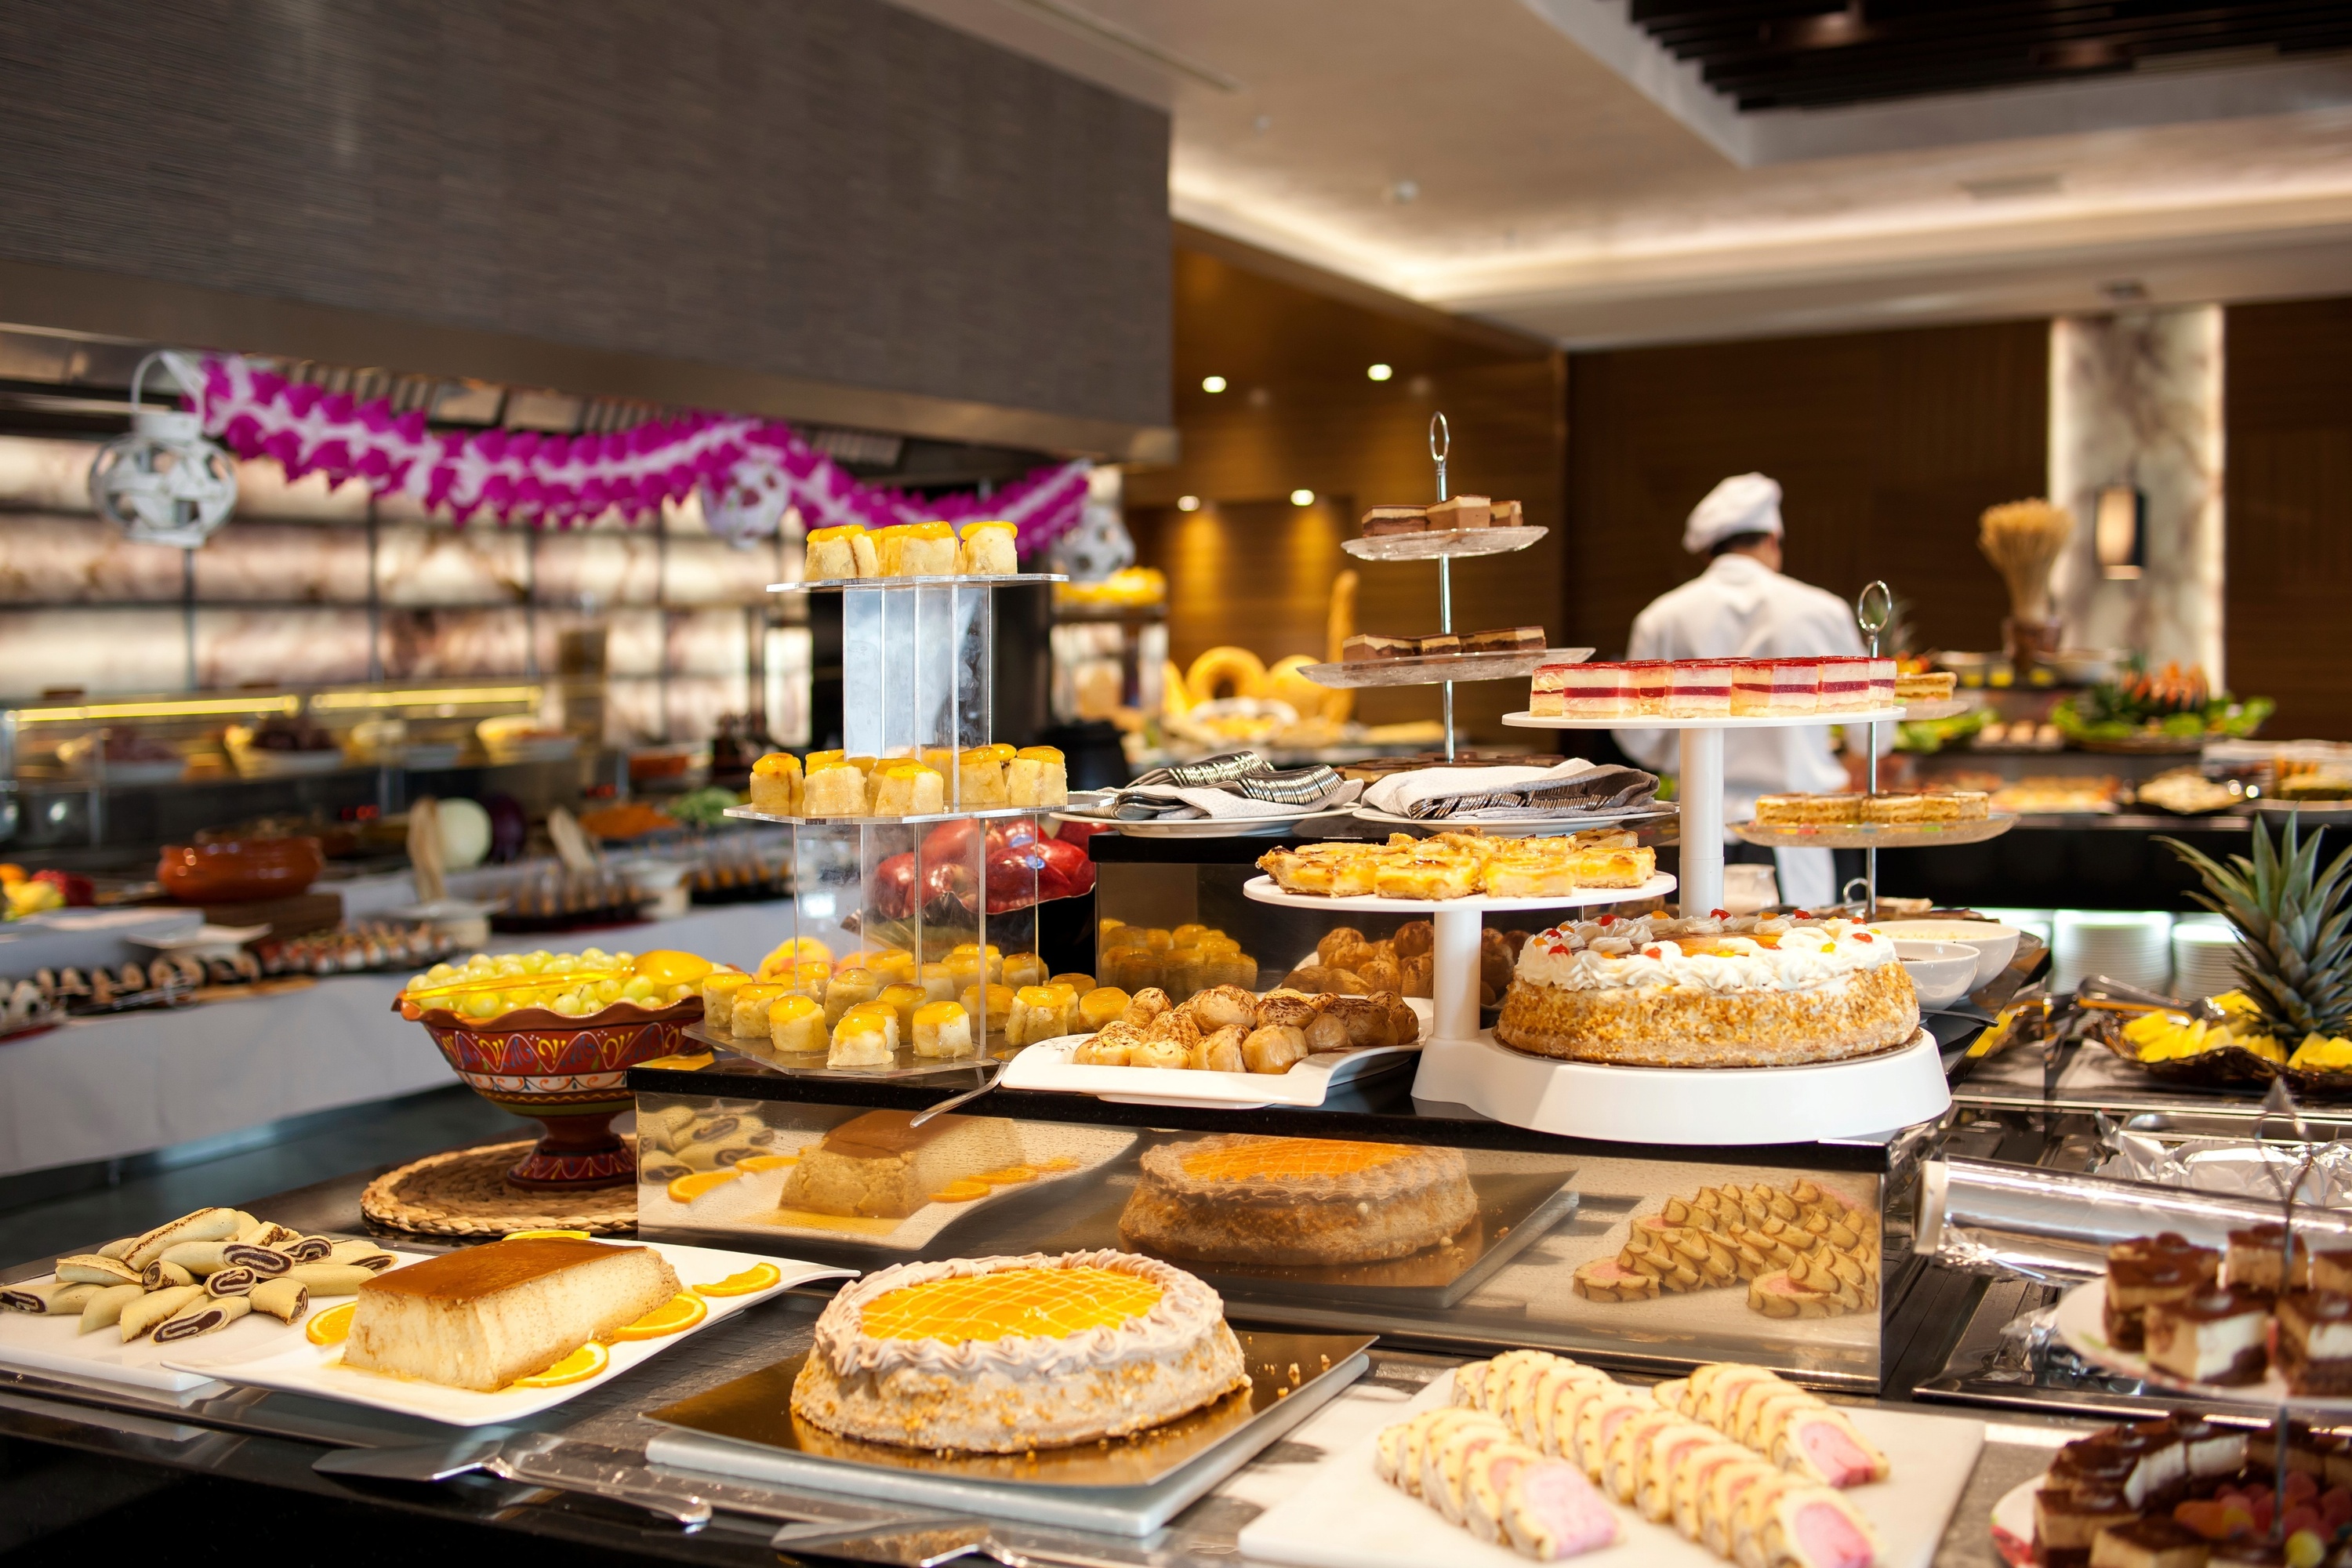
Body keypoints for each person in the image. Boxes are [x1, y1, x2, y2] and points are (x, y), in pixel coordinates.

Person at [1613, 473, 1881, 910]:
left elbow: (1638, 738)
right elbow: (1871, 733)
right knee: (1810, 960)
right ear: (1773, 539)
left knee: (1698, 957)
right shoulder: (1821, 610)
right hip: (1799, 832)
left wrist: (1683, 747)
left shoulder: (1661, 616)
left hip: (1701, 830)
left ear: (1708, 549)